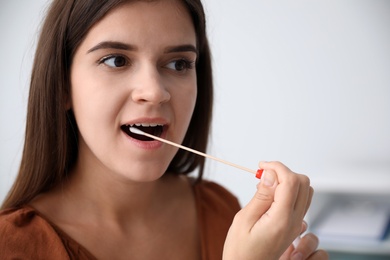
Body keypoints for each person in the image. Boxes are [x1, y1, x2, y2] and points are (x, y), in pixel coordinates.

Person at [0, 0, 328, 259]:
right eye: (116, 60)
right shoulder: (13, 247)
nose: (155, 91)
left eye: (178, 64)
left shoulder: (219, 211)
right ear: (62, 86)